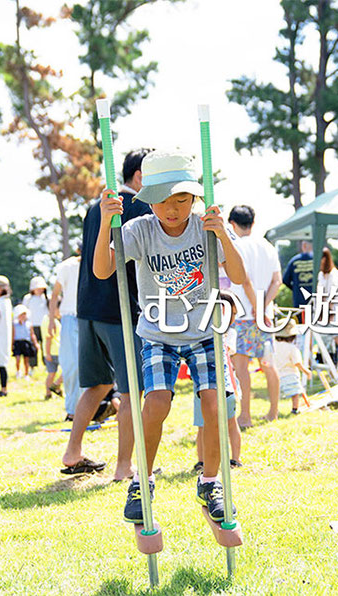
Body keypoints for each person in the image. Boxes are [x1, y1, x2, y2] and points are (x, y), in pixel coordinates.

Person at [94, 148, 246, 524]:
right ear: (147, 200)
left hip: (203, 330)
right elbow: (102, 271)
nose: (171, 209)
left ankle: (210, 481)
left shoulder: (204, 226)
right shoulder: (140, 228)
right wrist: (104, 223)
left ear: (194, 197)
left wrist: (223, 234)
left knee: (215, 405)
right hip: (159, 332)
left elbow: (239, 276)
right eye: (161, 201)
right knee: (157, 401)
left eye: (181, 199)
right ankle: (140, 481)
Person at [62, 148, 152, 478]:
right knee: (131, 392)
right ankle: (124, 466)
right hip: (121, 309)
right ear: (140, 177)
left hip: (87, 306)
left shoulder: (93, 207)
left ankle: (73, 452)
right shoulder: (142, 209)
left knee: (98, 385)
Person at [227, 204, 283, 427]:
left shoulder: (237, 246)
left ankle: (246, 416)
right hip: (265, 316)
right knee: (268, 363)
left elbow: (245, 281)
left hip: (243, 314)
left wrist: (255, 308)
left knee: (242, 367)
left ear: (232, 223)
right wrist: (264, 307)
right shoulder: (268, 246)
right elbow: (277, 281)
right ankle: (273, 412)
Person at [193, 291, 243, 471]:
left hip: (226, 381)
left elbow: (227, 353)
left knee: (230, 422)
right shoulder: (201, 330)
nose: (233, 318)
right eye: (232, 313)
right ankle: (202, 460)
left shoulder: (229, 333)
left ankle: (235, 458)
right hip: (202, 382)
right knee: (202, 424)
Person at [49, 250, 81, 419]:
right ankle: (71, 410)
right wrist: (50, 321)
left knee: (88, 364)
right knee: (71, 365)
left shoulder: (95, 261)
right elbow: (55, 294)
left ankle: (91, 409)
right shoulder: (67, 266)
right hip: (69, 316)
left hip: (90, 316)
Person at [316, 247, 338, 368]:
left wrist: (328, 311)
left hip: (337, 310)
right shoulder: (321, 275)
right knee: (332, 337)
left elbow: (333, 294)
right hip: (326, 310)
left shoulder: (334, 275)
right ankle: (335, 364)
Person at [273, 318, 312, 415]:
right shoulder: (292, 348)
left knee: (275, 394)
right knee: (295, 393)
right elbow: (297, 362)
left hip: (276, 375)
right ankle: (295, 409)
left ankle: (274, 409)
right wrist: (306, 371)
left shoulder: (273, 346)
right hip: (290, 374)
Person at [22, 276, 49, 371]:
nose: (40, 290)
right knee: (33, 346)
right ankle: (32, 367)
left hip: (44, 325)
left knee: (46, 346)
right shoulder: (28, 298)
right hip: (32, 325)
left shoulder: (46, 298)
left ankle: (47, 365)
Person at [282, 240, 315, 311]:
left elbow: (285, 280)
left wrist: (295, 288)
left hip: (299, 299)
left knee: (300, 321)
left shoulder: (294, 260)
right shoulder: (317, 260)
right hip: (315, 299)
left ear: (304, 246)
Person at [11, 304, 38, 378]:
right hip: (17, 343)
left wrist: (36, 343)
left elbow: (32, 334)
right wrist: (11, 344)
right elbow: (13, 335)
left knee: (26, 359)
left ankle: (26, 374)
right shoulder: (14, 324)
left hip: (26, 342)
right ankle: (18, 371)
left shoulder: (29, 324)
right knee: (17, 358)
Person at [41, 311, 61, 400]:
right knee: (69, 370)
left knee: (51, 374)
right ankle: (56, 385)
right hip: (55, 351)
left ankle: (49, 393)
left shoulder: (46, 319)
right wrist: (48, 353)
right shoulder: (50, 321)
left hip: (51, 351)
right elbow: (49, 338)